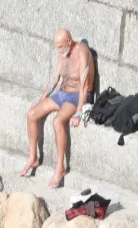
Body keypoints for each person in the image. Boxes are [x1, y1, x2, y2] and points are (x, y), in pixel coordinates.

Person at [21, 29, 94, 189]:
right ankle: (33, 157)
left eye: (60, 46)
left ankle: (60, 167)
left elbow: (84, 85)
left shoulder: (82, 52)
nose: (59, 50)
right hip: (62, 93)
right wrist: (40, 100)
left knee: (57, 121)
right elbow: (54, 79)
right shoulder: (62, 53)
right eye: (57, 47)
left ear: (69, 41)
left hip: (77, 96)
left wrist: (79, 112)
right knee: (31, 114)